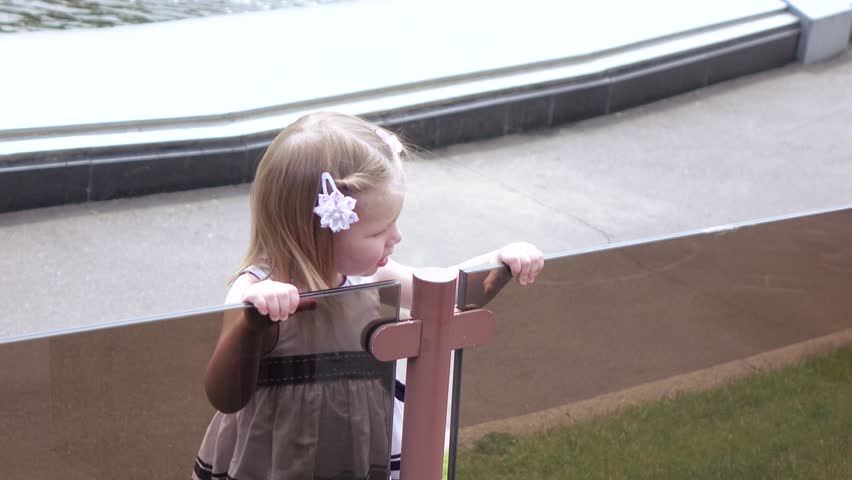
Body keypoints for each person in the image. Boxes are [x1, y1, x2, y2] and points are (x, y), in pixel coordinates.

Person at [192, 111, 544, 480]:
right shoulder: (255, 289)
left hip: (358, 447)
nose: (396, 237)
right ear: (318, 232)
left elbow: (446, 292)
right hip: (280, 457)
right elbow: (225, 396)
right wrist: (252, 325)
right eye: (378, 231)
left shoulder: (369, 276)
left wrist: (500, 260)